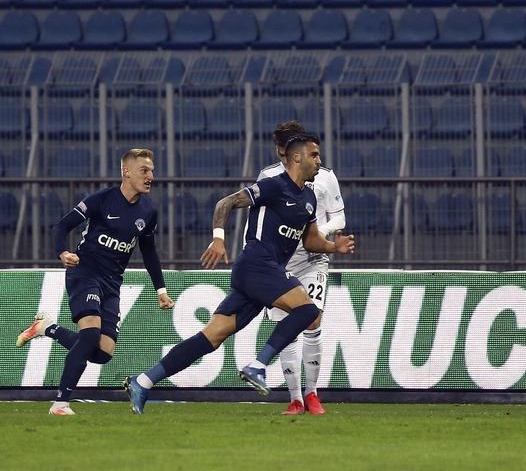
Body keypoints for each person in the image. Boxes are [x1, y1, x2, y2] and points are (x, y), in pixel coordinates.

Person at [124, 133, 355, 414]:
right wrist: (218, 238)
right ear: (297, 157)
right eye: (314, 155)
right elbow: (226, 203)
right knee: (308, 312)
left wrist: (333, 246)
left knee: (211, 337)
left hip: (264, 275)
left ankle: (143, 381)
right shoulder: (272, 186)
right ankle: (257, 366)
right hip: (256, 264)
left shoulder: (308, 197)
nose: (319, 160)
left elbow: (309, 240)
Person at [16, 148, 175, 416]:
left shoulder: (149, 212)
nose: (151, 176)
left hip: (112, 283)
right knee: (90, 334)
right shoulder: (101, 200)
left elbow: (149, 251)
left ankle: (46, 328)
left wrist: (160, 289)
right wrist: (63, 253)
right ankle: (60, 403)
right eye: (144, 170)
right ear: (126, 172)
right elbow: (61, 226)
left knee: (102, 352)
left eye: (152, 171)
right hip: (84, 273)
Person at [256, 121, 346, 416]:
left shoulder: (324, 178)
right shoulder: (268, 177)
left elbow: (339, 219)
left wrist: (317, 234)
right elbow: (255, 221)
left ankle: (313, 394)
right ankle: (295, 398)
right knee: (286, 327)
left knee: (312, 321)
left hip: (313, 260)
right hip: (280, 264)